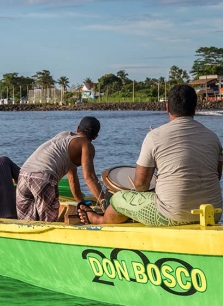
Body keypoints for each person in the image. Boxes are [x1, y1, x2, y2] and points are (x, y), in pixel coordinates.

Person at [79, 85, 223, 226]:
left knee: (118, 198)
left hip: (172, 214)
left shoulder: (155, 136)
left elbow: (141, 185)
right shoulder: (213, 137)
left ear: (167, 107)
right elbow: (216, 175)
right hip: (213, 212)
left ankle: (98, 220)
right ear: (195, 108)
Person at [16, 116, 104, 222]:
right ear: (95, 136)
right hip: (43, 177)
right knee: (48, 222)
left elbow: (72, 175)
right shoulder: (86, 145)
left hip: (24, 174)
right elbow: (89, 178)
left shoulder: (64, 135)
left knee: (25, 222)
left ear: (77, 128)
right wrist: (105, 204)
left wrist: (80, 201)